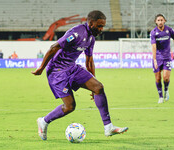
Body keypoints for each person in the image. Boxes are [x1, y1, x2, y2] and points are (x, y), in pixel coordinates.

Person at [32, 10, 128, 140]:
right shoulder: (76, 33)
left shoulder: (91, 38)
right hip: (57, 72)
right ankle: (44, 121)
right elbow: (53, 47)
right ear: (91, 23)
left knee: (98, 87)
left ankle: (108, 127)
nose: (101, 29)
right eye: (99, 26)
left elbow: (89, 61)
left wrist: (93, 81)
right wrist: (41, 68)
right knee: (70, 106)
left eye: (103, 26)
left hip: (72, 68)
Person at [150, 14, 174, 104]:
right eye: (158, 20)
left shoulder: (169, 30)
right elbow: (153, 46)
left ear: (164, 21)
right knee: (158, 78)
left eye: (162, 20)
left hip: (167, 58)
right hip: (157, 58)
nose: (160, 22)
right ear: (156, 22)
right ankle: (160, 96)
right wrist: (154, 59)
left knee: (165, 78)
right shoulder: (153, 32)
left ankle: (166, 90)